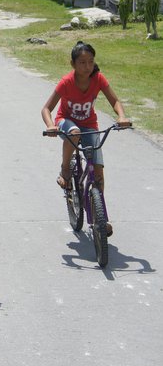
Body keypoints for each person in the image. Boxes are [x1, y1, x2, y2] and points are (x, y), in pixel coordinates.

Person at [41, 41, 129, 234]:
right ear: (73, 64)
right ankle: (65, 169)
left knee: (98, 172)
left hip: (90, 125)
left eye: (90, 62)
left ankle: (101, 219)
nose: (87, 66)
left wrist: (121, 117)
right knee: (74, 132)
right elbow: (46, 108)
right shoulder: (66, 82)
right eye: (82, 62)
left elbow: (114, 100)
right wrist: (50, 125)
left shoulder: (98, 79)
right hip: (66, 121)